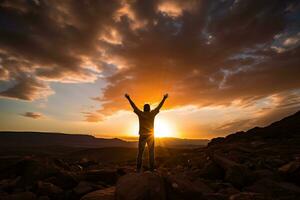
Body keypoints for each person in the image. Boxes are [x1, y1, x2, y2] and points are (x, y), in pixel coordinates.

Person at [125, 93, 168, 172]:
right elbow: (159, 106)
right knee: (151, 153)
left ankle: (138, 169)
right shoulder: (152, 114)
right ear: (149, 108)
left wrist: (129, 99)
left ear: (144, 109)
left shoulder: (141, 114)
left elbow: (134, 106)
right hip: (150, 136)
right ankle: (152, 169)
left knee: (140, 153)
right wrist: (164, 99)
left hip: (142, 135)